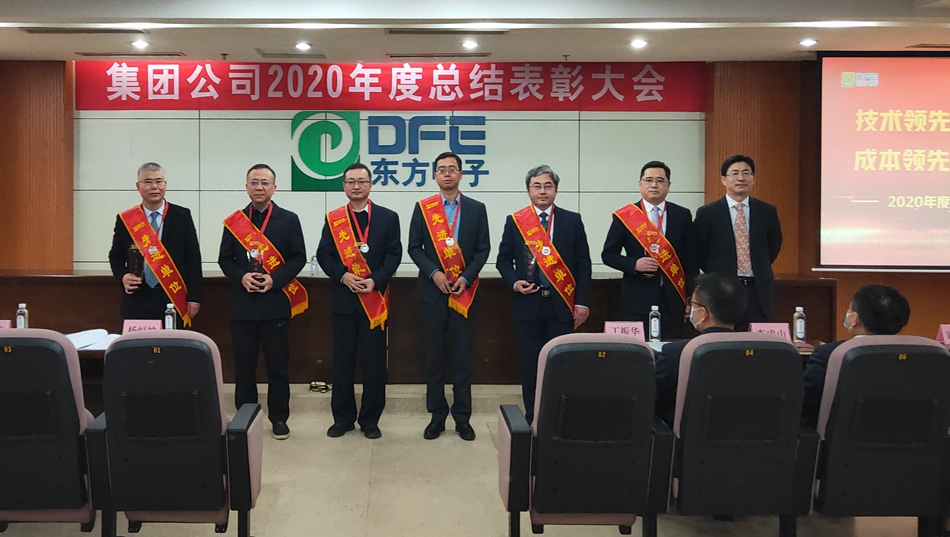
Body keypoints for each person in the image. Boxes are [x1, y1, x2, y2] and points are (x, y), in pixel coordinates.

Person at [496, 164, 592, 425]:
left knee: (562, 363)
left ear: (556, 190)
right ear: (528, 190)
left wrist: (582, 302)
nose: (542, 191)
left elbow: (583, 264)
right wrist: (515, 282)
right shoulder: (516, 221)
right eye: (536, 186)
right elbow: (503, 260)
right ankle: (532, 417)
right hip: (528, 304)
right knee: (530, 364)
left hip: (562, 305)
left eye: (548, 186)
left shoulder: (572, 220)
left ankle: (559, 419)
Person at [219, 164, 308, 440]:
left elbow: (298, 257)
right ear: (246, 187)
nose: (259, 187)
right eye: (254, 182)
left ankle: (279, 418)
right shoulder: (234, 222)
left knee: (277, 366)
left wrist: (274, 279)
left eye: (265, 182)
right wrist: (241, 277)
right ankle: (245, 419)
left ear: (274, 187)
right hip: (243, 305)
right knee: (244, 367)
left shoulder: (288, 219)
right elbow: (224, 259)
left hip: (275, 303)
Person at [408, 152, 490, 441]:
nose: (446, 174)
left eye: (452, 169)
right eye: (441, 169)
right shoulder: (423, 208)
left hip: (464, 294)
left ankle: (463, 418)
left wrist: (466, 277)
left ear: (460, 174)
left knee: (463, 359)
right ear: (434, 175)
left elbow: (483, 249)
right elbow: (414, 247)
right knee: (434, 358)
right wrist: (435, 273)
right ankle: (437, 417)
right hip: (433, 294)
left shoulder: (477, 209)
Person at [317, 162, 402, 440]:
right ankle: (342, 419)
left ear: (370, 185)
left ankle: (370, 420)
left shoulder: (388, 218)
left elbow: (394, 254)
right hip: (344, 301)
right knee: (342, 362)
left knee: (374, 364)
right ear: (344, 186)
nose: (356, 186)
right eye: (351, 181)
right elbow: (325, 254)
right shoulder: (334, 219)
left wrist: (375, 280)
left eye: (361, 181)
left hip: (374, 302)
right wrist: (343, 276)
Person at [602, 160, 696, 339]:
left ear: (668, 185)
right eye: (649, 180)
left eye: (660, 180)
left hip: (673, 297)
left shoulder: (682, 215)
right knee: (638, 350)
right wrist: (634, 264)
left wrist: (691, 297)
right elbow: (608, 255)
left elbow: (691, 259)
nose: (654, 185)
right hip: (637, 298)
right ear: (640, 184)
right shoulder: (625, 216)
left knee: (671, 347)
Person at [801, 284, 911, 429]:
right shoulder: (918, 356)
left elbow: (807, 404)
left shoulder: (829, 354)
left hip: (840, 441)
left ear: (855, 319)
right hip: (910, 439)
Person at [693, 155, 782, 331]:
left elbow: (773, 245)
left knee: (756, 340)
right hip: (722, 289)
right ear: (723, 179)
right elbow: (699, 251)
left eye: (746, 173)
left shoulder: (766, 211)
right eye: (735, 173)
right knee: (723, 338)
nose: (741, 178)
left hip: (757, 289)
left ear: (753, 179)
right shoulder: (708, 213)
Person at [108, 162, 202, 324]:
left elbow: (193, 258)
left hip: (173, 296)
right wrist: (123, 276)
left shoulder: (182, 216)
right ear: (138, 186)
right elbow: (115, 255)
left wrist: (194, 298)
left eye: (159, 181)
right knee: (140, 341)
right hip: (138, 296)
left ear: (165, 185)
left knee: (171, 340)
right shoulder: (127, 219)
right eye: (148, 182)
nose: (154, 187)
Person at [654, 273, 747, 424]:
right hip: (750, 435)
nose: (689, 309)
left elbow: (654, 402)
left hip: (689, 437)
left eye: (692, 304)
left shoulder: (676, 353)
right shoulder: (760, 354)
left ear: (703, 313)